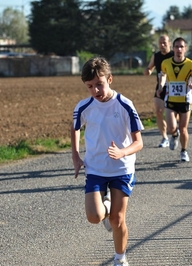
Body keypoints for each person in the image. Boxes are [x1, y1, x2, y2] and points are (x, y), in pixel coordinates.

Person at [71, 57, 144, 266]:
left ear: (109, 79)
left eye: (99, 84)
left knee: (117, 220)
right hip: (95, 169)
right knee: (94, 216)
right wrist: (76, 156)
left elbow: (139, 142)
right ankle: (106, 202)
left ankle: (120, 259)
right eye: (90, 86)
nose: (95, 90)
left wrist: (123, 152)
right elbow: (75, 127)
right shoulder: (84, 106)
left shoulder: (124, 105)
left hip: (122, 169)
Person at [157, 37, 192, 162]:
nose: (178, 49)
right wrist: (160, 86)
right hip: (171, 99)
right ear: (173, 48)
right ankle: (174, 136)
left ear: (185, 49)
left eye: (181, 47)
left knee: (183, 128)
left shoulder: (191, 64)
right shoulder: (166, 63)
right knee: (171, 128)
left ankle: (184, 151)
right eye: (176, 47)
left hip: (185, 100)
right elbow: (163, 76)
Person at [144, 35, 174, 147]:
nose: (162, 45)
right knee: (159, 111)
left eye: (164, 43)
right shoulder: (156, 56)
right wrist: (147, 71)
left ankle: (174, 131)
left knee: (173, 113)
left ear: (169, 43)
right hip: (160, 87)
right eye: (160, 43)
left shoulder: (173, 55)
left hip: (173, 87)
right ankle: (164, 137)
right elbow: (150, 68)